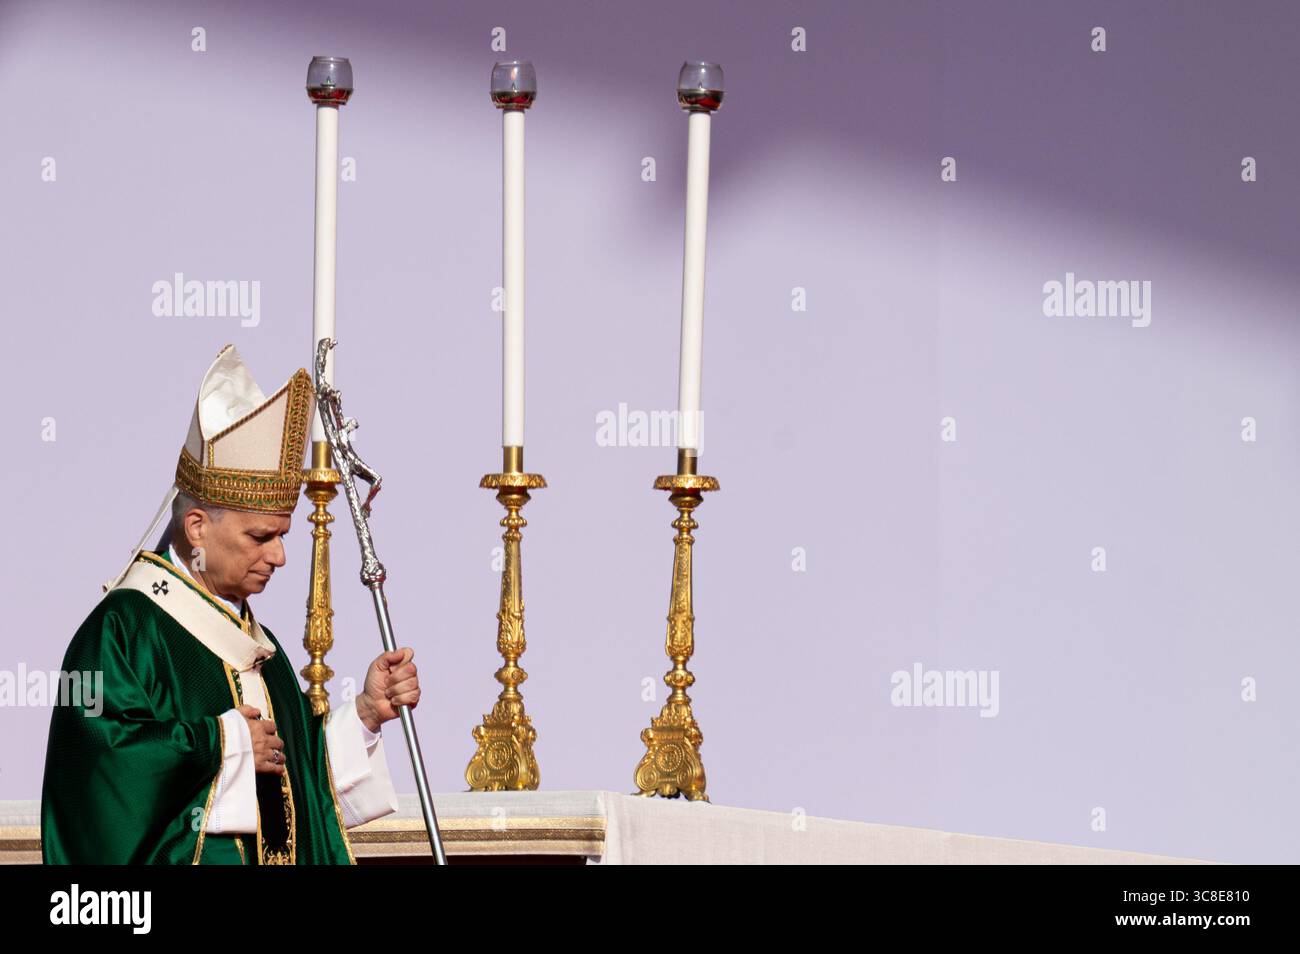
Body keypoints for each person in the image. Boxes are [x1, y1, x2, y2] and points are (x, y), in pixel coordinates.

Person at [41, 344, 419, 864]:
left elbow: (300, 793)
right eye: (261, 536)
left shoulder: (261, 651)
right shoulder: (123, 632)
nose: (280, 556)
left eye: (282, 536)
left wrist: (366, 714)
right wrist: (221, 742)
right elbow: (93, 776)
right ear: (197, 527)